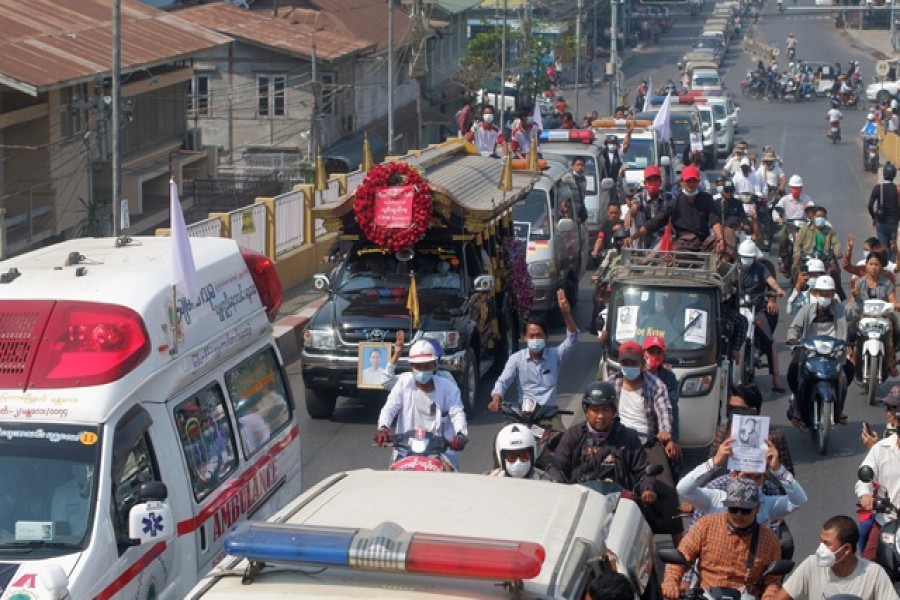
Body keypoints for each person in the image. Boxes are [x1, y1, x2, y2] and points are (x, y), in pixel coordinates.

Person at [549, 382, 678, 534]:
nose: (600, 416)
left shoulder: (628, 437)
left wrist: (647, 489)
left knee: (669, 500)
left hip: (619, 506)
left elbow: (643, 470)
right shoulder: (573, 435)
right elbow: (556, 466)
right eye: (595, 410)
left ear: (613, 411)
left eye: (605, 410)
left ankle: (681, 551)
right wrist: (560, 485)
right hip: (581, 503)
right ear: (586, 411)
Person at [607, 341, 684, 540]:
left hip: (646, 442)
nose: (629, 367)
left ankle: (681, 550)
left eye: (633, 363)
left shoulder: (655, 384)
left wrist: (665, 433)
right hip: (617, 440)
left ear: (642, 363)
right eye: (625, 362)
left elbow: (664, 411)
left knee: (666, 492)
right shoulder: (610, 384)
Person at [662, 478, 783, 600]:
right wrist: (671, 582)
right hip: (706, 595)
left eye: (745, 510)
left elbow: (772, 580)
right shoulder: (706, 525)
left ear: (757, 508)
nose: (738, 515)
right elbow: (681, 556)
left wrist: (770, 595)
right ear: (726, 507)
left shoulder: (769, 540)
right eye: (733, 509)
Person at [375, 339, 468, 468]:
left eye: (427, 366)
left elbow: (457, 413)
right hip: (406, 450)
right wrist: (384, 428)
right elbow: (390, 408)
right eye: (418, 367)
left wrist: (460, 435)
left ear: (435, 366)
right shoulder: (403, 383)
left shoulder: (449, 387)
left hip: (440, 451)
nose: (422, 371)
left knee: (447, 476)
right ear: (411, 367)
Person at [490, 288, 578, 418]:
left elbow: (572, 339)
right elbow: (503, 381)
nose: (535, 339)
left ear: (546, 337)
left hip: (548, 416)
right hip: (523, 416)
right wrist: (496, 398)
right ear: (525, 337)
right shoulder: (516, 359)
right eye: (532, 336)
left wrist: (566, 313)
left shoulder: (555, 355)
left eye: (539, 335)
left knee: (562, 438)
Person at [773, 515, 899, 600]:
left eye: (827, 544)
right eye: (821, 542)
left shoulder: (874, 573)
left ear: (846, 549)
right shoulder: (812, 565)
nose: (821, 549)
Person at [786, 276, 852, 428]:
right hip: (809, 353)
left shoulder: (840, 311)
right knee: (793, 371)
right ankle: (797, 402)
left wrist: (842, 346)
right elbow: (794, 328)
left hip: (833, 354)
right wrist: (793, 339)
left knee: (848, 371)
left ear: (833, 294)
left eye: (828, 294)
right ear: (815, 294)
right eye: (822, 293)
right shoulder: (806, 310)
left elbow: (845, 328)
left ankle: (839, 408)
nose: (825, 297)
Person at [626, 165, 726, 253]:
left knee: (728, 234)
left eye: (694, 181)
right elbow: (654, 223)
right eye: (688, 181)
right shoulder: (674, 203)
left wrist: (720, 238)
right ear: (682, 182)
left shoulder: (707, 198)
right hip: (684, 246)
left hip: (704, 243)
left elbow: (714, 221)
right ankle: (640, 257)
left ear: (698, 182)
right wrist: (633, 237)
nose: (691, 184)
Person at [710, 384, 795, 474]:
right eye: (730, 408)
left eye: (738, 409)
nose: (733, 413)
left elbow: (789, 477)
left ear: (753, 411)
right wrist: (715, 461)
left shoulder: (774, 436)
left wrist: (777, 468)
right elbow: (708, 472)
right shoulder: (723, 431)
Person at [738, 239, 787, 392]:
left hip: (756, 309)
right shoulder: (735, 269)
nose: (746, 260)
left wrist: (778, 289)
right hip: (738, 309)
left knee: (769, 341)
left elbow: (770, 280)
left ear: (754, 257)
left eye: (749, 257)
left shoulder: (760, 268)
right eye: (744, 256)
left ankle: (775, 377)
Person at [851, 252, 900, 377]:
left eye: (877, 264)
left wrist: (896, 305)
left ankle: (890, 361)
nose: (874, 267)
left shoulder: (887, 283)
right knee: (849, 327)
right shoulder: (860, 282)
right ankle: (851, 355)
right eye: (871, 264)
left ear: (881, 267)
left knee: (895, 326)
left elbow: (892, 300)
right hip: (864, 315)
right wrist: (855, 297)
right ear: (866, 266)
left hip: (883, 316)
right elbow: (854, 302)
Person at [643, 336, 680, 441]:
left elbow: (672, 408)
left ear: (663, 356)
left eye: (658, 352)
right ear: (644, 353)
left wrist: (673, 440)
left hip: (662, 429)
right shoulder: (638, 374)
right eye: (651, 352)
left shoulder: (669, 377)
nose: (654, 356)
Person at [626, 164, 672, 249]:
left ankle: (646, 259)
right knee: (637, 215)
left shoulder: (667, 197)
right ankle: (637, 251)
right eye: (650, 180)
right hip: (642, 237)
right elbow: (634, 207)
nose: (653, 183)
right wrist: (629, 213)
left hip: (660, 237)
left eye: (655, 180)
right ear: (645, 183)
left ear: (660, 182)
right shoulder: (639, 196)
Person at [487, 424, 551, 479]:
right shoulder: (489, 481)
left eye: (524, 456)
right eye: (511, 457)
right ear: (502, 458)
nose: (518, 462)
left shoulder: (547, 482)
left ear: (532, 455)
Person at [868, 162, 900, 261]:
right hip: (893, 222)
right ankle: (892, 266)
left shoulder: (878, 188)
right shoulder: (897, 189)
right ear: (894, 175)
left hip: (881, 222)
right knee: (892, 246)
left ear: (884, 174)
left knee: (883, 246)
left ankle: (884, 266)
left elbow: (870, 206)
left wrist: (873, 217)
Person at [51, 463, 92, 539]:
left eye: (88, 468)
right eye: (81, 468)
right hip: (76, 545)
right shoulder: (63, 493)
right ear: (73, 470)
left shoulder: (105, 488)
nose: (86, 471)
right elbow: (61, 533)